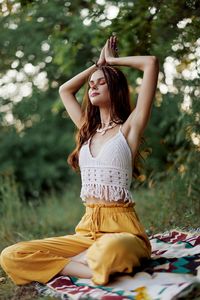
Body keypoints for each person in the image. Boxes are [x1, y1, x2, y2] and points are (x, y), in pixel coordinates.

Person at [0, 35, 159, 286]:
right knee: (10, 255)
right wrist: (97, 66)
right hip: (86, 231)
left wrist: (113, 61)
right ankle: (88, 265)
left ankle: (86, 263)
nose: (92, 87)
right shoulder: (88, 130)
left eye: (101, 83)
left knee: (110, 250)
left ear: (114, 89)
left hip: (122, 230)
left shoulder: (129, 129)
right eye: (91, 84)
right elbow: (65, 90)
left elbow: (150, 63)